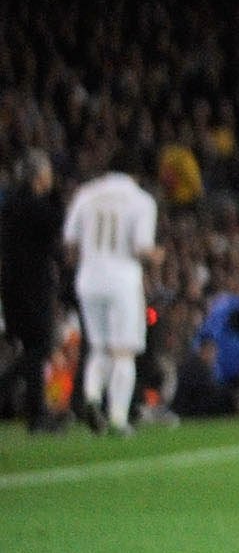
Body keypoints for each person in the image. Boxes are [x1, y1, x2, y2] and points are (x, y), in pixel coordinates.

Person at [61, 156, 160, 436]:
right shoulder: (141, 201)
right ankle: (118, 417)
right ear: (137, 174)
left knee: (98, 347)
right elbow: (141, 246)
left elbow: (70, 241)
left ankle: (92, 397)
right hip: (122, 280)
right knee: (124, 351)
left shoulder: (86, 194)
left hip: (89, 279)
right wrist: (157, 255)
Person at [3, 152, 69, 431]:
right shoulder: (37, 206)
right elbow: (58, 221)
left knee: (31, 348)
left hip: (10, 284)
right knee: (38, 348)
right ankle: (30, 408)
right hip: (33, 285)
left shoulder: (9, 204)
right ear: (40, 177)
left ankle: (38, 413)